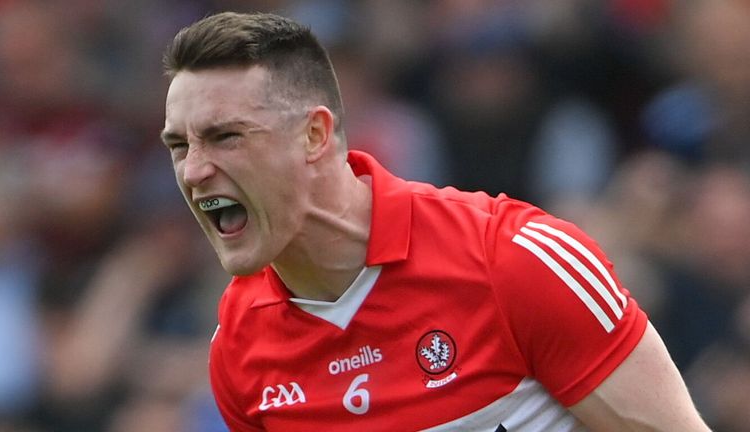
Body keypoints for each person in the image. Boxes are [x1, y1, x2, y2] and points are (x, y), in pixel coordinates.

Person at [159, 11, 711, 431]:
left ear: (314, 136)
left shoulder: (516, 259)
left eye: (225, 136)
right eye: (179, 146)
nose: (194, 170)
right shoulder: (239, 349)